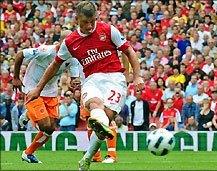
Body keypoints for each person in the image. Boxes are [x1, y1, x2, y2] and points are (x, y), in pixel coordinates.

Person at [25, 2, 143, 170]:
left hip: (115, 79)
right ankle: (98, 124)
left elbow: (129, 51)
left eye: (92, 22)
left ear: (96, 17)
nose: (89, 26)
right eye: (85, 22)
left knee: (105, 120)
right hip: (92, 79)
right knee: (94, 105)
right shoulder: (70, 41)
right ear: (77, 19)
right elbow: (54, 65)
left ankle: (88, 157)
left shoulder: (108, 30)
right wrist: (38, 88)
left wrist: (137, 76)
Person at [12, 30, 82, 163]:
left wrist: (75, 82)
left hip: (50, 91)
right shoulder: (46, 51)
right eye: (70, 43)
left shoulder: (73, 58)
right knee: (44, 125)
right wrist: (15, 77)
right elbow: (20, 54)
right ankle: (29, 114)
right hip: (33, 88)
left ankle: (28, 153)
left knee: (51, 129)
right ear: (61, 42)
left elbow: (74, 77)